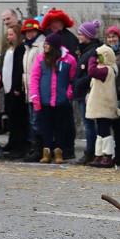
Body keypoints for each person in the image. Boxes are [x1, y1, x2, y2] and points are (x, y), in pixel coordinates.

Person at [30, 31, 77, 164]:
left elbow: (73, 80)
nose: (44, 46)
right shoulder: (40, 59)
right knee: (46, 127)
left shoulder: (69, 60)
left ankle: (59, 151)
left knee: (60, 127)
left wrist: (69, 93)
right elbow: (34, 78)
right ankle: (47, 151)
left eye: (47, 44)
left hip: (61, 101)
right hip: (45, 100)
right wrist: (35, 97)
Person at [85, 39, 120, 168]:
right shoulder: (104, 68)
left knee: (104, 130)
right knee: (100, 131)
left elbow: (91, 71)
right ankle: (99, 154)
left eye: (99, 56)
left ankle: (107, 155)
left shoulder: (108, 70)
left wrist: (92, 58)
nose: (97, 59)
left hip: (104, 105)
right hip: (99, 105)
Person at [72, 20, 102, 164]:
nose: (79, 36)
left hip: (86, 92)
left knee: (88, 124)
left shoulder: (92, 52)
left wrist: (78, 83)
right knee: (88, 123)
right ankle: (91, 151)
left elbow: (90, 72)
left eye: (81, 34)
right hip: (81, 92)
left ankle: (91, 151)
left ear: (88, 36)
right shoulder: (85, 50)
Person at [0, 24, 30, 159]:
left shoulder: (20, 48)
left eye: (11, 34)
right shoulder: (10, 49)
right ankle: (12, 142)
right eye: (8, 34)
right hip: (8, 87)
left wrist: (17, 87)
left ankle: (20, 146)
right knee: (11, 117)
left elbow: (18, 69)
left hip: (15, 88)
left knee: (19, 118)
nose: (9, 37)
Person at [19, 18, 46, 161]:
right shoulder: (28, 47)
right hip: (29, 89)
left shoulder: (41, 45)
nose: (30, 34)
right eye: (27, 32)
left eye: (32, 31)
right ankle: (34, 148)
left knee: (37, 120)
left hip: (37, 89)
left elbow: (41, 68)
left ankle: (39, 150)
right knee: (32, 120)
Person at [105, 26, 120, 166]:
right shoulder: (106, 52)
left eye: (114, 37)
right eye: (109, 37)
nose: (112, 39)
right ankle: (118, 153)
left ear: (119, 38)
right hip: (110, 95)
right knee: (115, 126)